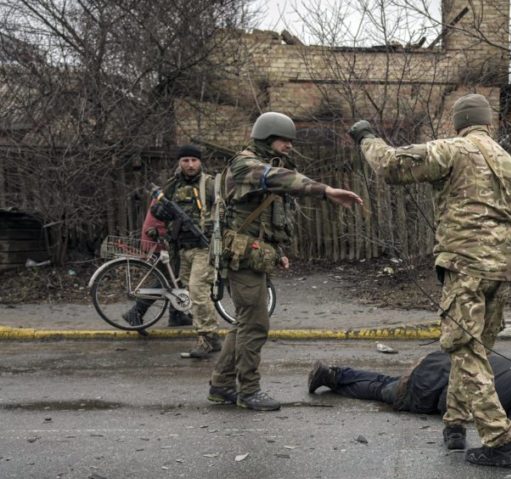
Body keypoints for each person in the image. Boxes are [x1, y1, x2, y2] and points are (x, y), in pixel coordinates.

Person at [349, 94, 511, 467]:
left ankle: (499, 439)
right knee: (474, 352)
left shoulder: (454, 150)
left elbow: (392, 166)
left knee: (465, 350)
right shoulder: (506, 161)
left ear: (459, 121)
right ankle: (456, 424)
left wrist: (367, 137)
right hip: (501, 267)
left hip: (466, 266)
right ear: (488, 121)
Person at [208, 112, 363, 411]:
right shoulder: (245, 165)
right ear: (267, 138)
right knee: (255, 325)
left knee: (244, 324)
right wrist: (325, 190)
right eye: (284, 140)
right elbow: (275, 179)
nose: (290, 146)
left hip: (255, 255)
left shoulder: (268, 166)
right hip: (243, 258)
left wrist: (277, 252)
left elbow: (260, 221)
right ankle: (248, 391)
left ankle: (221, 385)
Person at [307, 351, 511, 425]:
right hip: (427, 385)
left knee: (388, 381)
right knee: (381, 391)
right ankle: (330, 378)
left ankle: (337, 373)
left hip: (439, 360)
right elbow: (447, 400)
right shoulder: (497, 400)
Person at [150, 144, 221, 358]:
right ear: (179, 163)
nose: (190, 165)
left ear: (200, 162)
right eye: (185, 161)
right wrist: (160, 211)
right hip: (182, 248)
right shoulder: (172, 185)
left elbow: (224, 211)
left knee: (198, 291)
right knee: (192, 292)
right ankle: (211, 338)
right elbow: (158, 209)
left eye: (194, 160)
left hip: (204, 247)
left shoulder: (208, 185)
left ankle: (207, 337)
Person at [121, 190, 192, 330]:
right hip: (157, 239)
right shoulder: (176, 191)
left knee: (175, 277)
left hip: (161, 237)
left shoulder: (174, 189)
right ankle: (136, 311)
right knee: (166, 280)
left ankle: (176, 315)